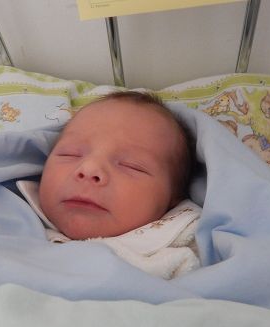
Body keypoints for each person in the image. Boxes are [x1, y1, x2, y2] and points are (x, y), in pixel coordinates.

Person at [16, 91, 202, 279]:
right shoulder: (11, 220)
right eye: (70, 154)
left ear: (173, 197)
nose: (89, 169)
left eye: (131, 165)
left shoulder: (186, 246)